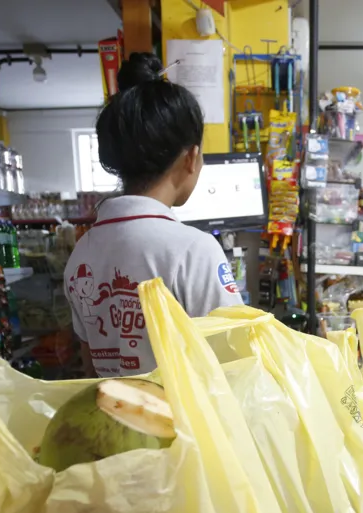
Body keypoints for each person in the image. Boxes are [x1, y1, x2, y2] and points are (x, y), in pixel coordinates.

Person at [64, 52, 242, 377]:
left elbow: (90, 366)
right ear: (191, 158)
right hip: (184, 427)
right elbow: (235, 363)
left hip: (110, 419)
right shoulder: (193, 250)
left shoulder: (83, 251)